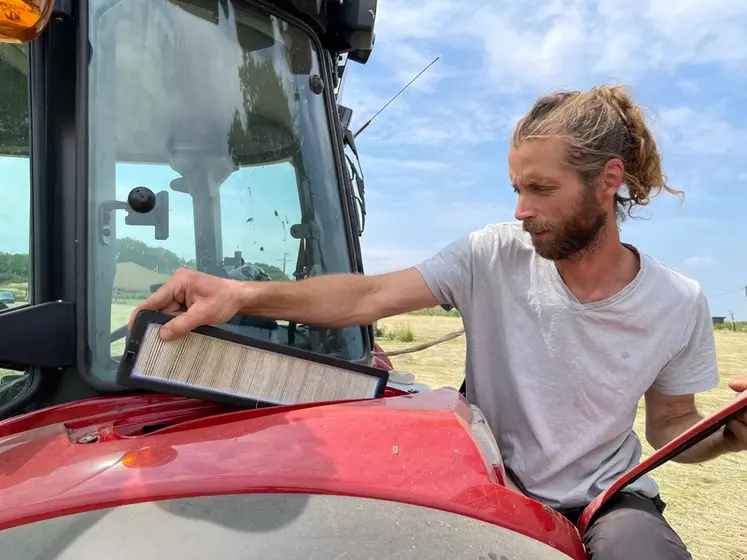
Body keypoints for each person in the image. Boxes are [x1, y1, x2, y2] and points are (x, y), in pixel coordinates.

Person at [129, 84, 747, 559]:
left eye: (540, 188)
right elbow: (366, 297)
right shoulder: (490, 255)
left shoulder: (678, 300)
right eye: (516, 187)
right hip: (489, 485)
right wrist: (240, 295)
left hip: (611, 502)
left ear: (608, 180)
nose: (520, 210)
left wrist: (729, 435)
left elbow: (671, 431)